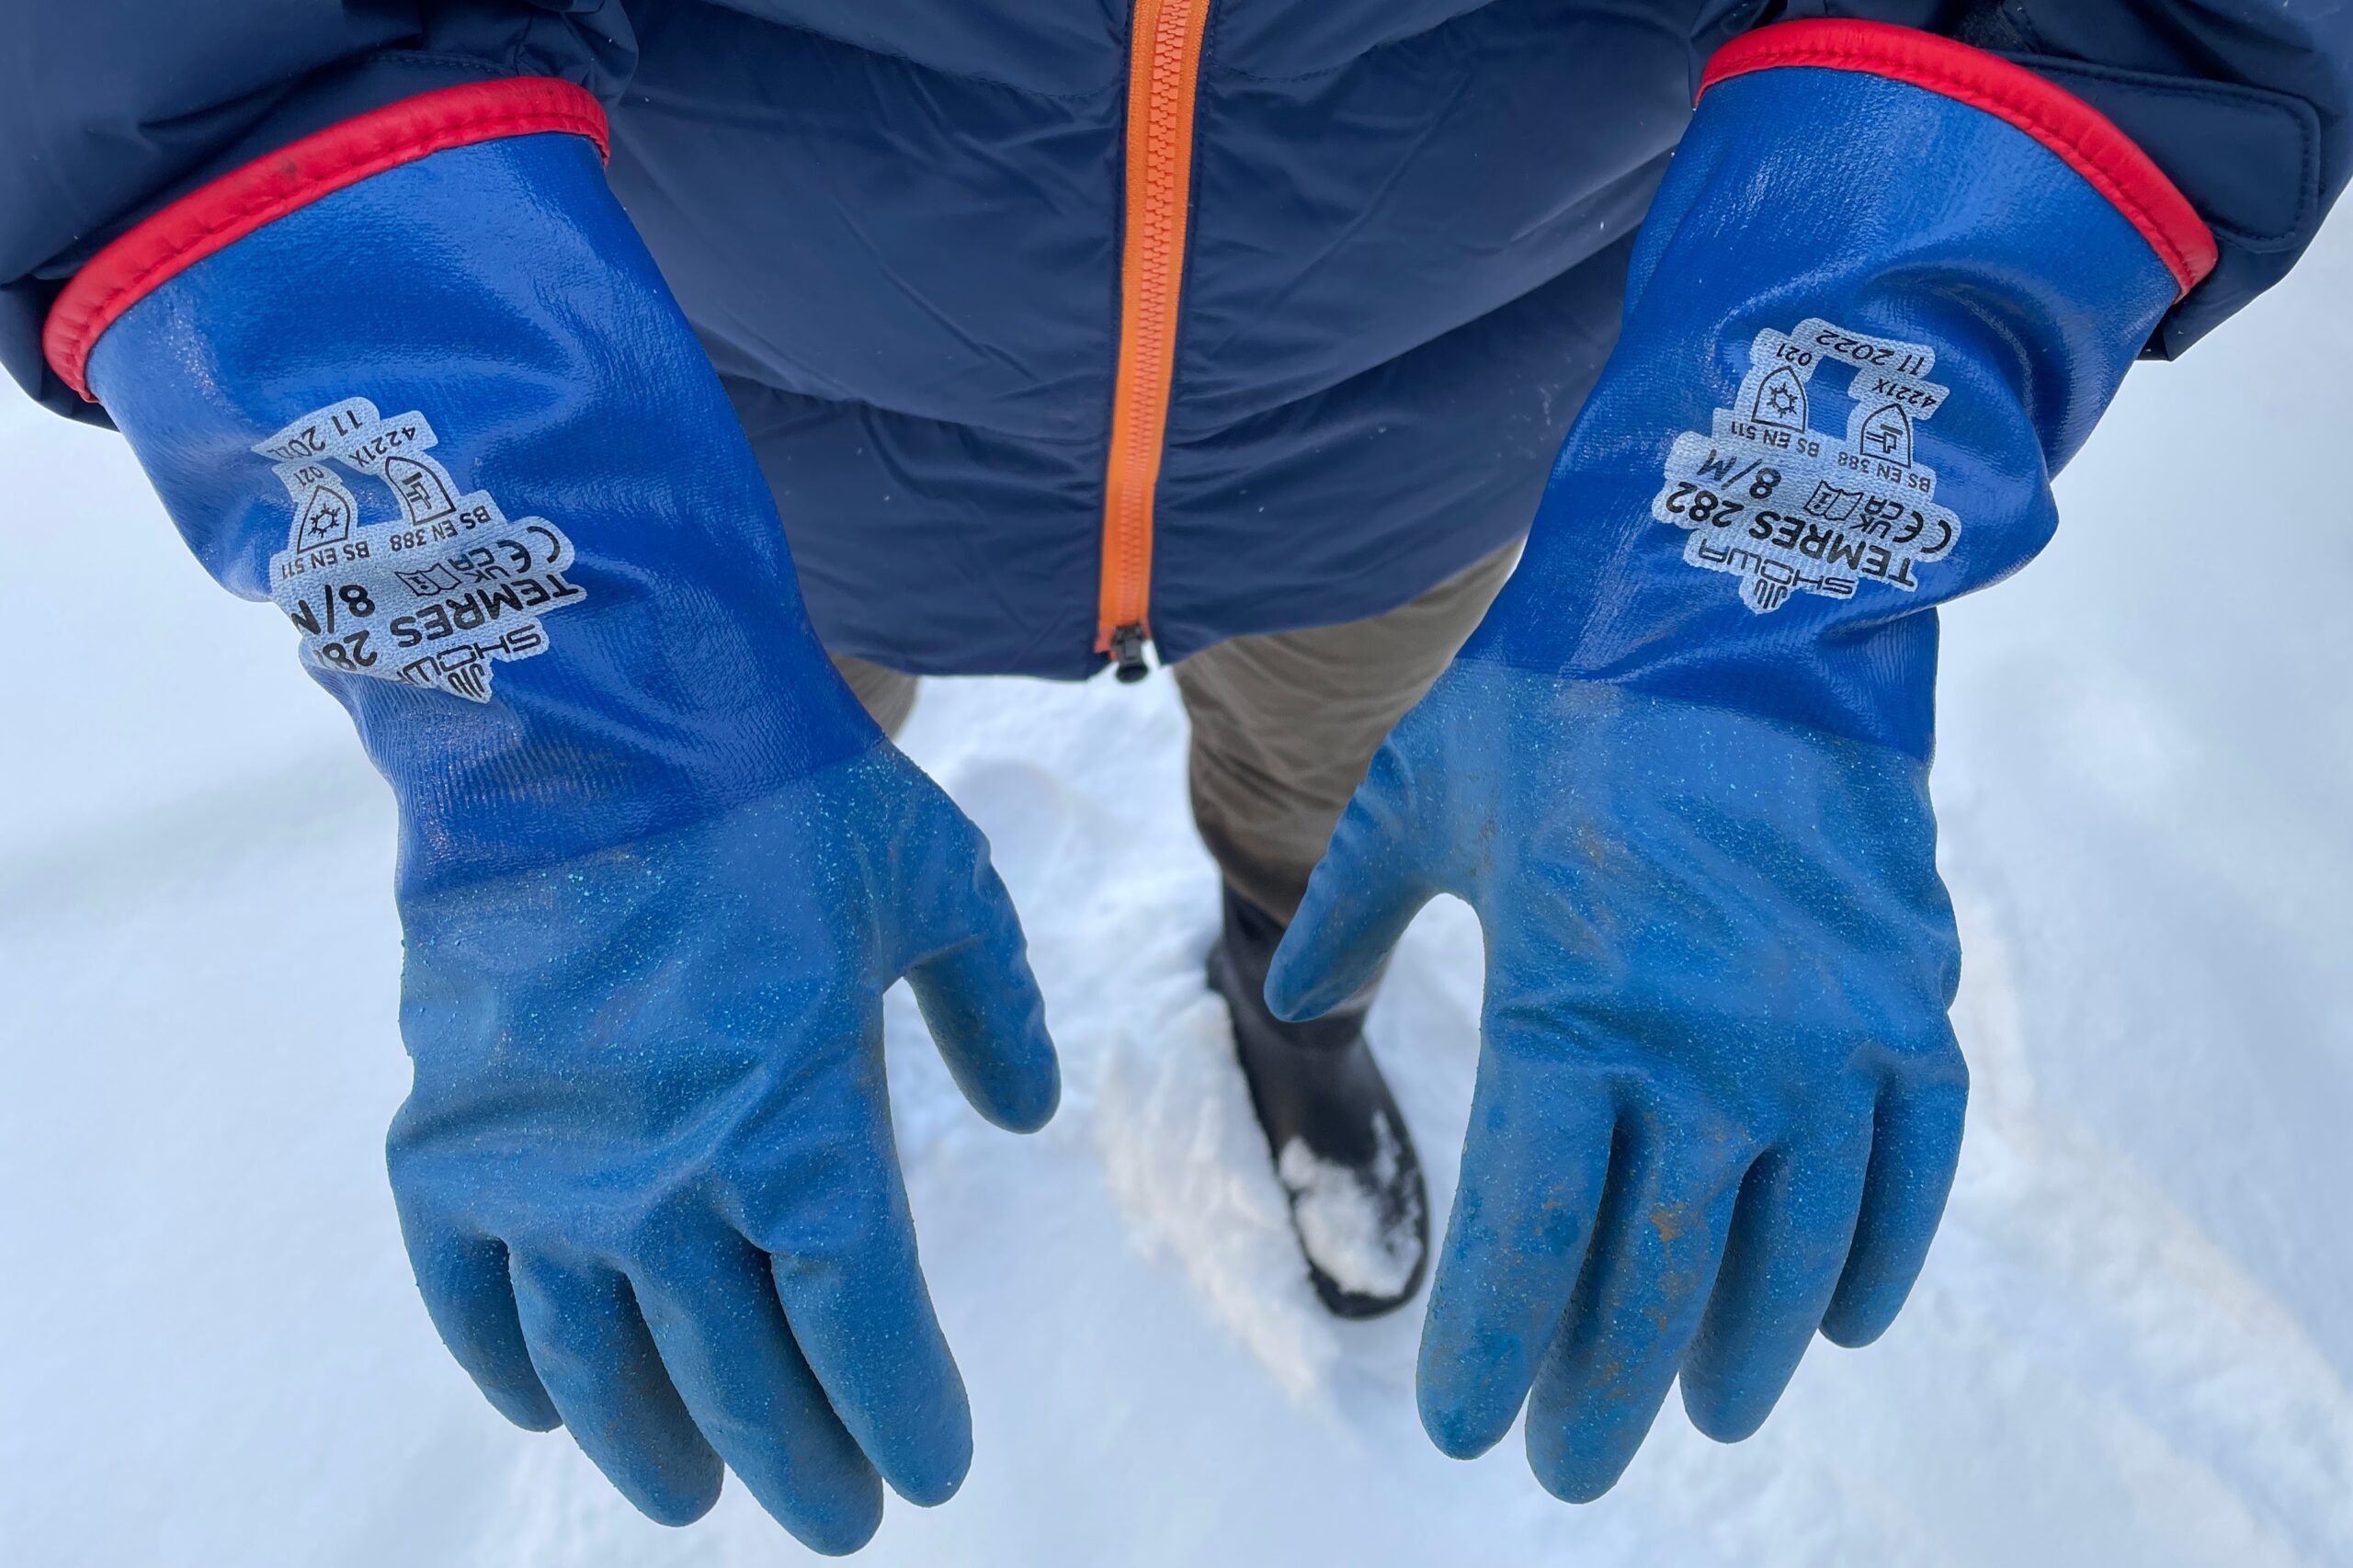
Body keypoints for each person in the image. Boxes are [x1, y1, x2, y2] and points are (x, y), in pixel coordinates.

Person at [5, 0, 2345, 1551]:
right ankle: (826, 1025)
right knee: (756, 849)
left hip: (1416, 458)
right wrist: (585, 711)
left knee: (1339, 811)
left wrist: (1741, 581)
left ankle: (1288, 1014)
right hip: (722, 487)